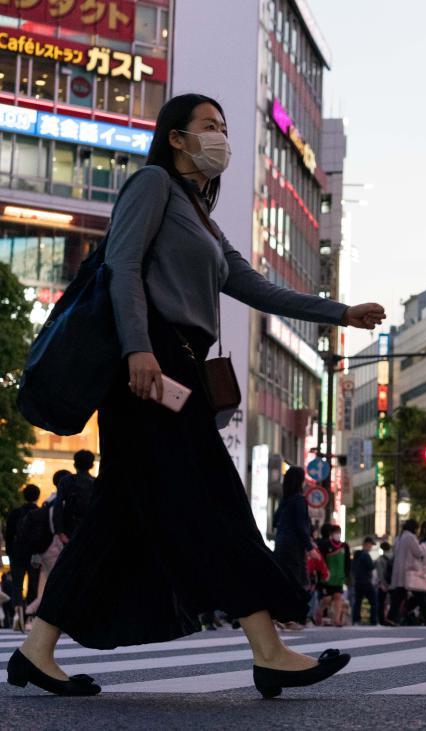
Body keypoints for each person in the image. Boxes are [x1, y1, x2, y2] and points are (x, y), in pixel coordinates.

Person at [9, 94, 386, 699]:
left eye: (225, 127)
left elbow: (256, 288)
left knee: (117, 517)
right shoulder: (152, 184)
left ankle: (35, 649)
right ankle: (268, 651)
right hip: (149, 366)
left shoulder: (200, 217)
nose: (221, 137)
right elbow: (121, 267)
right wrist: (138, 349)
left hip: (175, 367)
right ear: (176, 138)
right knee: (215, 498)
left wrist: (341, 312)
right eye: (209, 126)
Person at [23, 471, 70, 617]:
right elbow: (55, 527)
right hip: (56, 547)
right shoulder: (61, 503)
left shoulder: (48, 501)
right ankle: (33, 609)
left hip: (44, 549)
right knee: (58, 583)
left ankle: (36, 613)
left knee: (45, 584)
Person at [273, 467, 314, 614]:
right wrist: (310, 547)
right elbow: (301, 527)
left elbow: (275, 521)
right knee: (295, 581)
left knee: (284, 579)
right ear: (299, 481)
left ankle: (281, 613)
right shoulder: (299, 500)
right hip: (293, 547)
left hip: (280, 544)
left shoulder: (285, 500)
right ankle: (289, 615)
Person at [3, 484, 41, 633]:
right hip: (34, 554)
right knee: (33, 585)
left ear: (24, 495)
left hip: (16, 553)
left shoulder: (15, 513)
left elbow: (8, 534)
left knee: (17, 585)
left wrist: (10, 552)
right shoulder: (40, 513)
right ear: (37, 496)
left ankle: (17, 614)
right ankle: (29, 617)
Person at [53, 451, 96, 545]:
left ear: (75, 464)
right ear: (92, 465)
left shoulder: (66, 481)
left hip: (69, 530)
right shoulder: (96, 483)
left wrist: (59, 531)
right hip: (90, 530)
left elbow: (58, 506)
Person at [389, 519, 425, 625]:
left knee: (398, 596)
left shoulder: (398, 538)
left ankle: (391, 617)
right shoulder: (410, 537)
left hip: (399, 571)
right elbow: (418, 552)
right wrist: (424, 547)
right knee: (418, 594)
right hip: (409, 571)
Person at [320, 525, 350, 627]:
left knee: (338, 597)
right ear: (331, 534)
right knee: (327, 599)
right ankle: (319, 612)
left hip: (339, 576)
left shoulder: (344, 546)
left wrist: (347, 575)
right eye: (336, 532)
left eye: (339, 532)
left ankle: (336, 619)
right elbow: (322, 560)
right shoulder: (325, 545)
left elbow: (347, 561)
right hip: (328, 576)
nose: (338, 535)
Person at [351, 537, 377, 625]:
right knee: (374, 601)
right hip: (366, 581)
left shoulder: (357, 555)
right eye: (371, 545)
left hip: (357, 581)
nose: (371, 547)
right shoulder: (366, 555)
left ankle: (356, 620)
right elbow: (372, 568)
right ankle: (374, 621)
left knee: (358, 602)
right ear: (366, 544)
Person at [375, 541, 393, 626]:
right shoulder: (395, 557)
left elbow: (380, 573)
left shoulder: (380, 559)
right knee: (394, 602)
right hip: (394, 583)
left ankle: (382, 620)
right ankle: (392, 618)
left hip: (384, 584)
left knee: (381, 603)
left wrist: (381, 583)